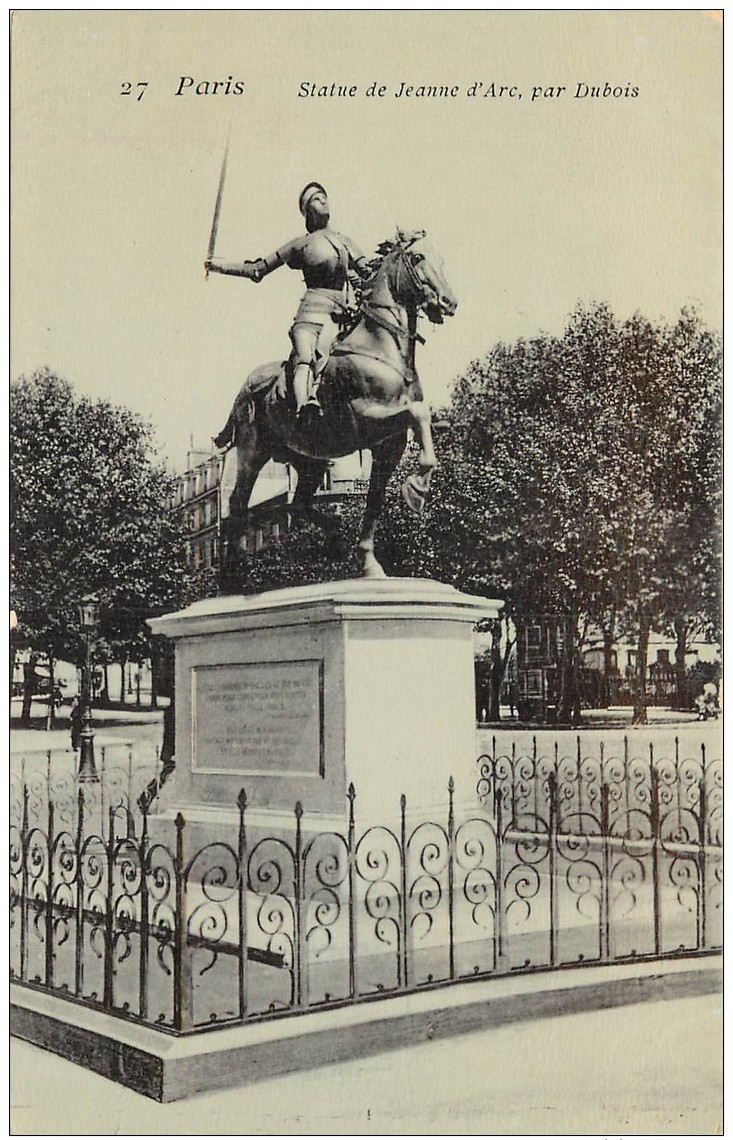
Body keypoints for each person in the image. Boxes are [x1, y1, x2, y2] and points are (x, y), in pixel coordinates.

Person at [205, 182, 370, 420]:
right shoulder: (300, 244)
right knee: (306, 359)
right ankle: (305, 406)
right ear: (307, 211)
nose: (323, 201)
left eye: (324, 197)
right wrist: (220, 266)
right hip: (311, 316)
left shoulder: (345, 242)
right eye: (315, 199)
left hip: (343, 317)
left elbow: (368, 274)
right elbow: (257, 270)